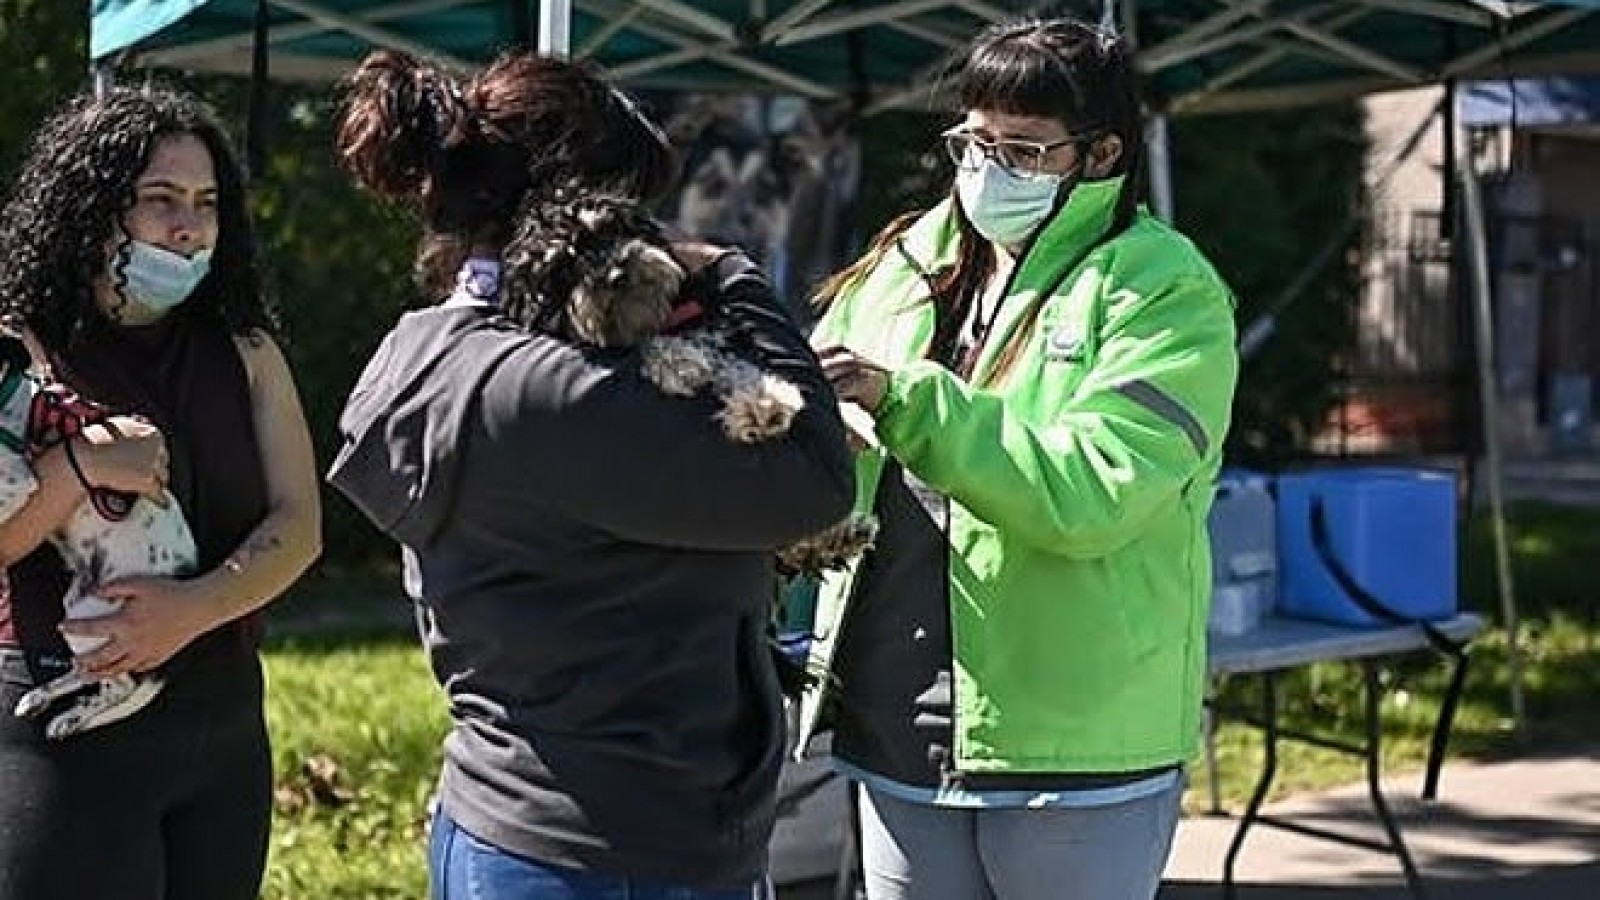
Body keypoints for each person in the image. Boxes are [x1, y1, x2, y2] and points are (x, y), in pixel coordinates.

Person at [326, 50, 853, 900]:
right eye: (636, 209)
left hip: (509, 815)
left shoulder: (427, 351)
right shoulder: (559, 394)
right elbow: (815, 483)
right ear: (585, 211)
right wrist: (732, 275)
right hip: (621, 845)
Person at [798, 17, 1241, 900]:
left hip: (1075, 745)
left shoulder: (1164, 288)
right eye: (974, 141)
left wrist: (903, 401)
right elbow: (821, 416)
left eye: (1024, 150)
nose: (988, 168)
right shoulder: (905, 261)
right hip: (898, 725)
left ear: (1102, 153)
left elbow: (1093, 491)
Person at [0, 86, 322, 899]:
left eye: (207, 203)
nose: (189, 226)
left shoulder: (248, 351)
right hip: (59, 725)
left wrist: (195, 608)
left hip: (222, 729)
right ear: (93, 210)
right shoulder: (16, 350)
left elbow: (300, 524)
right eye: (161, 199)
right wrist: (80, 466)